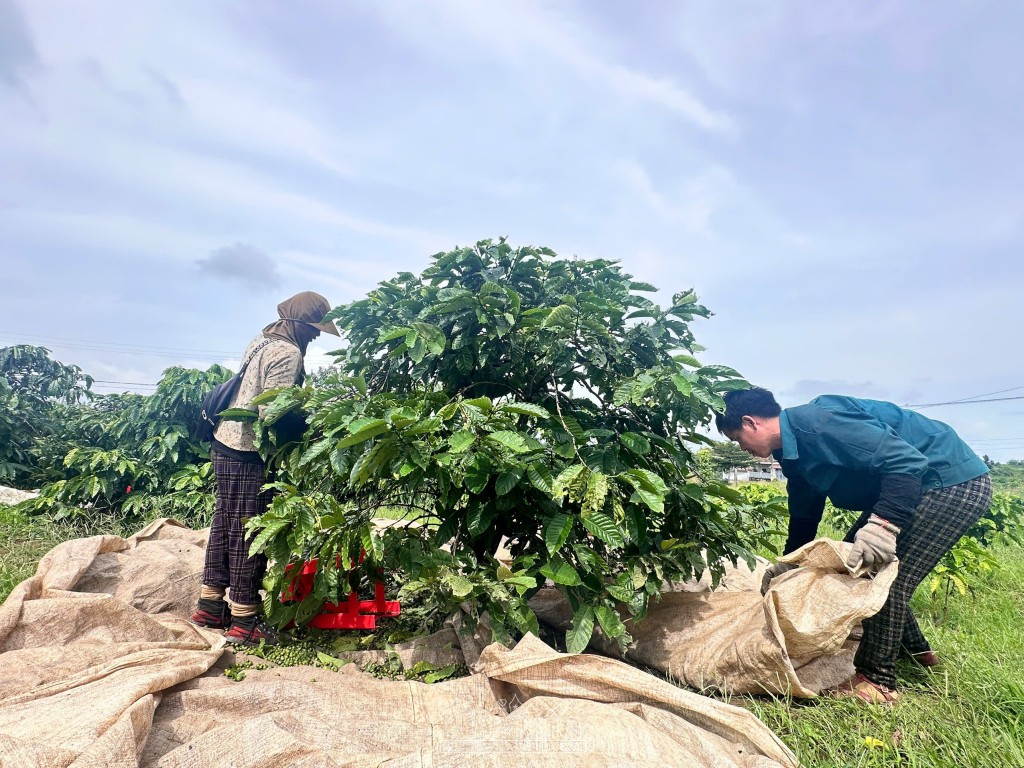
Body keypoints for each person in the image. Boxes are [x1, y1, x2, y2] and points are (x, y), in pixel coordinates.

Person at [716, 388, 991, 704]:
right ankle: (917, 653)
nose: (742, 448)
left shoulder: (819, 422)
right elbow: (805, 510)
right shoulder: (791, 452)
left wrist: (882, 527)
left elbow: (906, 462)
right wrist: (791, 561)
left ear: (750, 422)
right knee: (853, 567)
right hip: (916, 486)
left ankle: (877, 682)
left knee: (881, 580)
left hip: (949, 482)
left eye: (737, 439)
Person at [191, 291, 339, 646]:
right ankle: (245, 618)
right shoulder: (287, 353)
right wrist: (312, 426)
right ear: (300, 325)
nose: (316, 336)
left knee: (226, 521)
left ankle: (210, 605)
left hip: (224, 442)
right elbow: (271, 413)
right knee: (249, 530)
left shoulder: (262, 339)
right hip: (247, 450)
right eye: (314, 329)